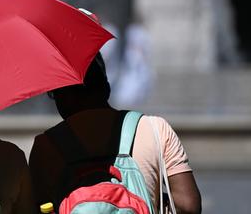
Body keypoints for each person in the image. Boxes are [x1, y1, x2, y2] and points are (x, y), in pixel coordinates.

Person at [29, 53, 201, 214]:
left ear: (60, 98)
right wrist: (151, 199)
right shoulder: (154, 128)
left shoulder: (46, 146)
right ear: (106, 87)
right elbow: (188, 205)